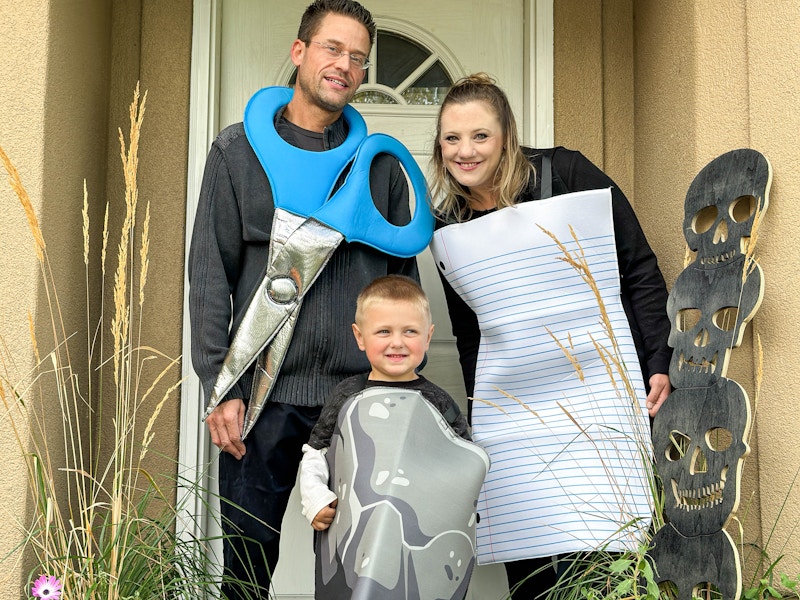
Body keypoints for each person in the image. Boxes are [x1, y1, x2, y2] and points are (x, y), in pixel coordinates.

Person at [188, 2, 419, 598]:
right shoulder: (237, 152)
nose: (345, 66)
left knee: (363, 570)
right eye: (333, 49)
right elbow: (211, 273)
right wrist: (221, 386)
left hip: (359, 401)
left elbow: (401, 289)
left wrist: (401, 393)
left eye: (359, 58)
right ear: (300, 52)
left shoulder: (380, 167)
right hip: (262, 397)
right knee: (244, 567)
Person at [429, 73, 672, 597]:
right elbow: (468, 329)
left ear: (507, 136)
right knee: (531, 561)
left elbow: (639, 269)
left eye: (480, 136)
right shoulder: (444, 220)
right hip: (513, 411)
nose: (464, 151)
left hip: (600, 396)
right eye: (451, 138)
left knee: (607, 556)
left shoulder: (566, 173)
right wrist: (479, 408)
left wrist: (659, 361)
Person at [299, 275, 478, 599]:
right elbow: (317, 453)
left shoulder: (437, 403)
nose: (397, 342)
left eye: (410, 331)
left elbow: (463, 462)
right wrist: (314, 498)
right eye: (384, 331)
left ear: (428, 337)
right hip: (353, 540)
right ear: (360, 336)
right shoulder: (347, 396)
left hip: (417, 540)